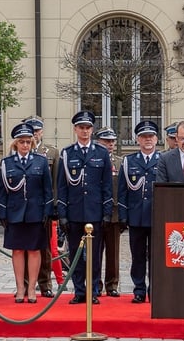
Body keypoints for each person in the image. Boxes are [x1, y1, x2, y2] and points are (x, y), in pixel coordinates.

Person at [56, 110, 113, 304]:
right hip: (74, 212)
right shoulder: (67, 153)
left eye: (88, 128)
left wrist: (106, 212)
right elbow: (62, 186)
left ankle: (94, 290)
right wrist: (62, 214)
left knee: (95, 255)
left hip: (95, 212)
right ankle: (79, 290)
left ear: (92, 130)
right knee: (76, 254)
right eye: (81, 128)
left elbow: (106, 185)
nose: (85, 131)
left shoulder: (101, 153)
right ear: (75, 130)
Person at [0, 123, 53, 303]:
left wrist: (47, 211)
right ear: (16, 144)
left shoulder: (40, 161)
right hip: (15, 213)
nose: (25, 145)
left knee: (35, 251)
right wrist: (2, 213)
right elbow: (2, 192)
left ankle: (32, 289)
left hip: (35, 213)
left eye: (28, 142)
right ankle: (20, 287)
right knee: (18, 251)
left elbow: (47, 190)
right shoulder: (7, 163)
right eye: (22, 142)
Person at [118, 120, 160, 303]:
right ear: (138, 140)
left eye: (150, 136)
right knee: (138, 256)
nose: (148, 140)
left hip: (157, 216)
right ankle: (139, 289)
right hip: (136, 216)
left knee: (156, 256)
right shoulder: (129, 161)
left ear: (156, 139)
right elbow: (122, 191)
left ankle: (156, 289)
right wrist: (123, 215)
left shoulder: (164, 160)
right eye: (144, 137)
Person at [24, 116, 63, 297]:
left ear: (41, 132)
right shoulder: (19, 151)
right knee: (23, 247)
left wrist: (54, 206)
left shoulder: (51, 153)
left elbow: (56, 182)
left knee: (45, 248)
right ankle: (24, 284)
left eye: (37, 130)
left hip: (44, 208)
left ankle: (45, 283)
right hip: (24, 208)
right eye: (31, 130)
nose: (34, 134)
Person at [95, 126, 123, 297]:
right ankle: (95, 283)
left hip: (114, 213)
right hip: (96, 212)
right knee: (95, 252)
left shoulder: (120, 162)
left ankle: (112, 285)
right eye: (106, 141)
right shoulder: (93, 159)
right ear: (98, 142)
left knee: (113, 253)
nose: (110, 144)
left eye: (112, 141)